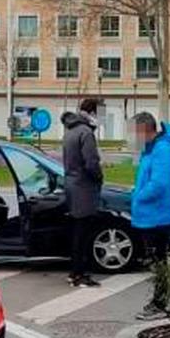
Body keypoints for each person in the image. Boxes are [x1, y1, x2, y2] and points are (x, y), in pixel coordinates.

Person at [128, 112, 170, 320]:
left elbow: (159, 184)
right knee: (156, 261)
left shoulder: (162, 150)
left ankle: (160, 304)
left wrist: (139, 197)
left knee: (159, 261)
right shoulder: (150, 150)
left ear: (144, 130)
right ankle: (159, 302)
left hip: (158, 216)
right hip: (149, 214)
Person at [61, 98, 103, 287]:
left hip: (72, 185)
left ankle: (74, 272)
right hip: (84, 188)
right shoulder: (86, 133)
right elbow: (91, 162)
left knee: (77, 231)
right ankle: (79, 274)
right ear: (93, 112)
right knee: (83, 233)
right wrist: (99, 177)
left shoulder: (70, 130)